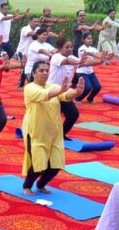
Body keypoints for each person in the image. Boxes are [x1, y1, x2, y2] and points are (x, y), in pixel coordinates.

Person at [22, 61, 82, 194]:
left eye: (46, 70)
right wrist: (60, 90)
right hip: (36, 132)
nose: (45, 73)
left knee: (56, 165)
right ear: (33, 73)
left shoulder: (52, 86)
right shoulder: (30, 88)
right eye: (41, 70)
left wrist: (77, 92)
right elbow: (45, 96)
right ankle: (27, 186)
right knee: (39, 164)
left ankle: (41, 184)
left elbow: (66, 95)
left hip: (54, 133)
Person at [72, 32, 108, 103]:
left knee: (98, 87)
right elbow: (93, 54)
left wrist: (105, 56)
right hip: (82, 72)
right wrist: (101, 57)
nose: (90, 40)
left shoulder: (93, 48)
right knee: (88, 87)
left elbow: (98, 53)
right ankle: (77, 99)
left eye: (91, 38)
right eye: (88, 38)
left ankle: (90, 98)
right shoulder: (81, 49)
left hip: (90, 72)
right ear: (83, 40)